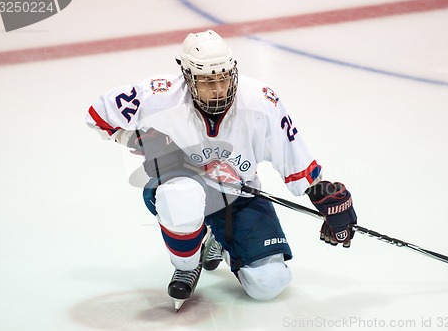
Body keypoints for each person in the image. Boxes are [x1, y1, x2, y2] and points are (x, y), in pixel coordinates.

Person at [86, 30, 357, 311]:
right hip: (176, 187)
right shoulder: (159, 94)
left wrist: (324, 195)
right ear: (188, 76)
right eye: (207, 81)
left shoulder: (261, 102)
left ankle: (219, 240)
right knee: (183, 193)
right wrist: (135, 138)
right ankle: (187, 265)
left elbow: (295, 160)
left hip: (238, 194)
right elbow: (97, 115)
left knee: (269, 283)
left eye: (224, 78)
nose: (218, 89)